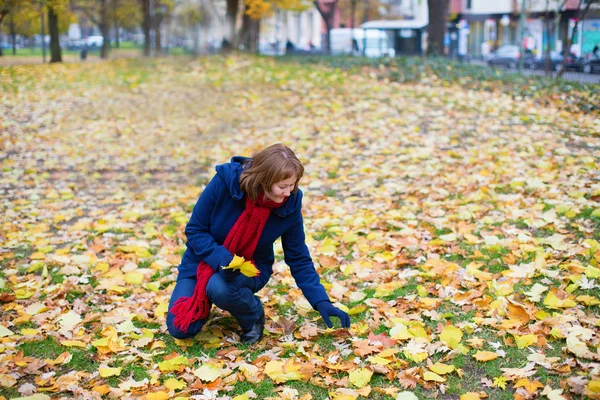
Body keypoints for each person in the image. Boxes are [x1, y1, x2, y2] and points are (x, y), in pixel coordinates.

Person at [166, 144, 351, 344]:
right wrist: (221, 259)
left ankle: (252, 315)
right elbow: (195, 229)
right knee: (180, 329)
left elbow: (297, 256)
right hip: (200, 261)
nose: (288, 193)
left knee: (220, 287)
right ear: (263, 180)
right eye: (282, 186)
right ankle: (205, 298)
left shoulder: (289, 203)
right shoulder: (224, 182)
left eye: (293, 185)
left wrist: (320, 301)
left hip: (251, 268)